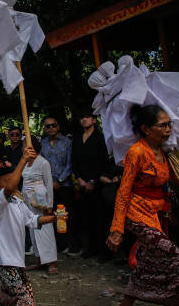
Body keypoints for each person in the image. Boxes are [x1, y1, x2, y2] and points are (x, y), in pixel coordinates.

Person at [107, 104, 179, 306]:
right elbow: (123, 192)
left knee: (146, 264)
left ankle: (126, 302)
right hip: (137, 215)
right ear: (146, 128)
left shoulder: (165, 153)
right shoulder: (137, 153)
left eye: (169, 125)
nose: (168, 129)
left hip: (157, 215)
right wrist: (116, 229)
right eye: (163, 125)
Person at [0, 145, 57, 305]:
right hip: (5, 259)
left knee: (11, 296)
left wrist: (53, 218)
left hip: (17, 259)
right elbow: (11, 187)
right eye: (9, 179)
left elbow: (32, 220)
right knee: (25, 300)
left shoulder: (18, 200)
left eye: (14, 177)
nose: (15, 181)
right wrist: (23, 160)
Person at [72, 110, 111, 259]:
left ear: (94, 120)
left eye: (87, 117)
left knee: (100, 218)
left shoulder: (101, 138)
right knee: (86, 218)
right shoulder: (77, 138)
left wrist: (93, 181)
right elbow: (73, 161)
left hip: (97, 184)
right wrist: (80, 179)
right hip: (81, 184)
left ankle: (105, 251)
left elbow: (103, 162)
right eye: (82, 117)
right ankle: (90, 248)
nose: (84, 120)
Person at [40, 116, 79, 255]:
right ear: (44, 129)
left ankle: (73, 244)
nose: (51, 128)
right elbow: (40, 164)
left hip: (64, 185)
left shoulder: (67, 142)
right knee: (53, 215)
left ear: (58, 127)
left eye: (53, 125)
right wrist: (49, 183)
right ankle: (59, 244)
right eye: (48, 126)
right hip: (48, 186)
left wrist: (60, 181)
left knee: (67, 215)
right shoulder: (42, 143)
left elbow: (70, 164)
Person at [21, 139, 59, 274]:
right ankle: (38, 260)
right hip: (28, 201)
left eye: (25, 145)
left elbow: (49, 185)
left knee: (45, 230)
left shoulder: (43, 162)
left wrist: (49, 206)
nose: (23, 148)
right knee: (33, 230)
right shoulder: (24, 163)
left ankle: (52, 262)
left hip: (41, 202)